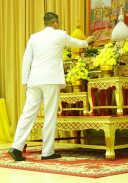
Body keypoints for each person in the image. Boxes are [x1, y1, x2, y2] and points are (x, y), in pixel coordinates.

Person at [8, 12, 94, 161]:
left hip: (34, 80)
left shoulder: (34, 37)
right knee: (50, 115)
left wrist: (25, 81)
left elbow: (26, 60)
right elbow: (78, 43)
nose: (59, 25)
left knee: (27, 114)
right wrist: (88, 40)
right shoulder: (60, 35)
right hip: (51, 80)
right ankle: (47, 152)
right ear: (55, 24)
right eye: (58, 23)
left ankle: (16, 147)